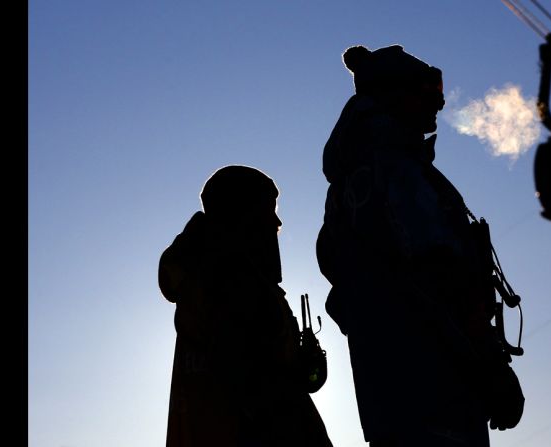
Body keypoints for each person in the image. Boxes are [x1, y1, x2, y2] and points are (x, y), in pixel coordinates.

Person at [316, 45, 524, 447]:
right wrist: (489, 365)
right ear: (394, 97)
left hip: (388, 393)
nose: (436, 107)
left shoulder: (349, 184)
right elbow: (439, 274)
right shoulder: (397, 170)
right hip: (436, 385)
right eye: (425, 94)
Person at [159, 165, 333, 447]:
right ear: (242, 215)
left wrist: (302, 366)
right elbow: (259, 388)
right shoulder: (229, 281)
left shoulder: (226, 279)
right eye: (268, 212)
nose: (276, 221)